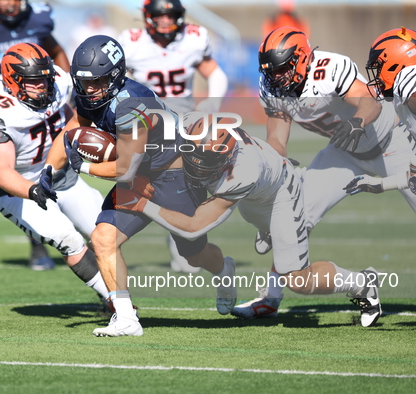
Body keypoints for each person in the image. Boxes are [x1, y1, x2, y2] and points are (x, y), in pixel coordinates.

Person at [42, 35, 236, 337]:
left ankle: (224, 271)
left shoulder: (132, 103)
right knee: (103, 238)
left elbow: (125, 167)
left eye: (97, 81)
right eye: (85, 82)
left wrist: (84, 166)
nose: (90, 89)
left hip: (174, 175)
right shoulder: (91, 95)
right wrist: (49, 170)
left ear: (116, 76)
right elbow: (72, 129)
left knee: (193, 254)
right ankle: (126, 318)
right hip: (138, 176)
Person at [120, 115, 382, 328]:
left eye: (207, 161)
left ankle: (362, 283)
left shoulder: (242, 171)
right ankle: (269, 248)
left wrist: (141, 204)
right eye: (193, 155)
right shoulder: (189, 125)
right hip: (257, 194)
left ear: (227, 157)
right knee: (255, 220)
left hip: (280, 195)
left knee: (296, 279)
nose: (197, 166)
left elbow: (194, 227)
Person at [244, 26, 416, 318]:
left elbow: (368, 100)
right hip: (343, 152)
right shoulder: (273, 90)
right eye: (270, 71)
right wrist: (269, 168)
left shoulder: (329, 67)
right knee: (289, 219)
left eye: (282, 69)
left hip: (392, 144)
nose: (275, 77)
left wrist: (357, 122)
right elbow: (277, 140)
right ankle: (271, 297)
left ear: (301, 58)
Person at [0, 42, 110, 309]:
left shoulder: (59, 81)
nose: (42, 87)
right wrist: (33, 190)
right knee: (67, 238)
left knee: (106, 234)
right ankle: (112, 299)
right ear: (13, 81)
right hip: (21, 189)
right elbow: (1, 173)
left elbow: (74, 113)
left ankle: (116, 293)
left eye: (44, 80)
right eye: (32, 82)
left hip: (61, 175)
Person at [0, 0, 70, 270]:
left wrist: (68, 83)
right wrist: (11, 80)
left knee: (58, 164)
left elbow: (57, 52)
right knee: (18, 174)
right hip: (5, 117)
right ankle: (38, 243)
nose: (11, 3)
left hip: (43, 108)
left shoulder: (38, 18)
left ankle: (76, 230)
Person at [117, 0, 229, 273]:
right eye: (160, 15)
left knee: (184, 180)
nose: (166, 21)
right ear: (147, 17)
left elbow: (216, 74)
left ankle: (185, 239)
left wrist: (211, 103)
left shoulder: (193, 38)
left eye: (171, 15)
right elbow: (117, 81)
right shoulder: (131, 42)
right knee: (141, 174)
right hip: (146, 120)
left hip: (182, 120)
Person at [344, 27, 416, 196]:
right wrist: (382, 184)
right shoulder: (403, 99)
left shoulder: (410, 90)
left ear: (396, 63)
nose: (377, 77)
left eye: (379, 67)